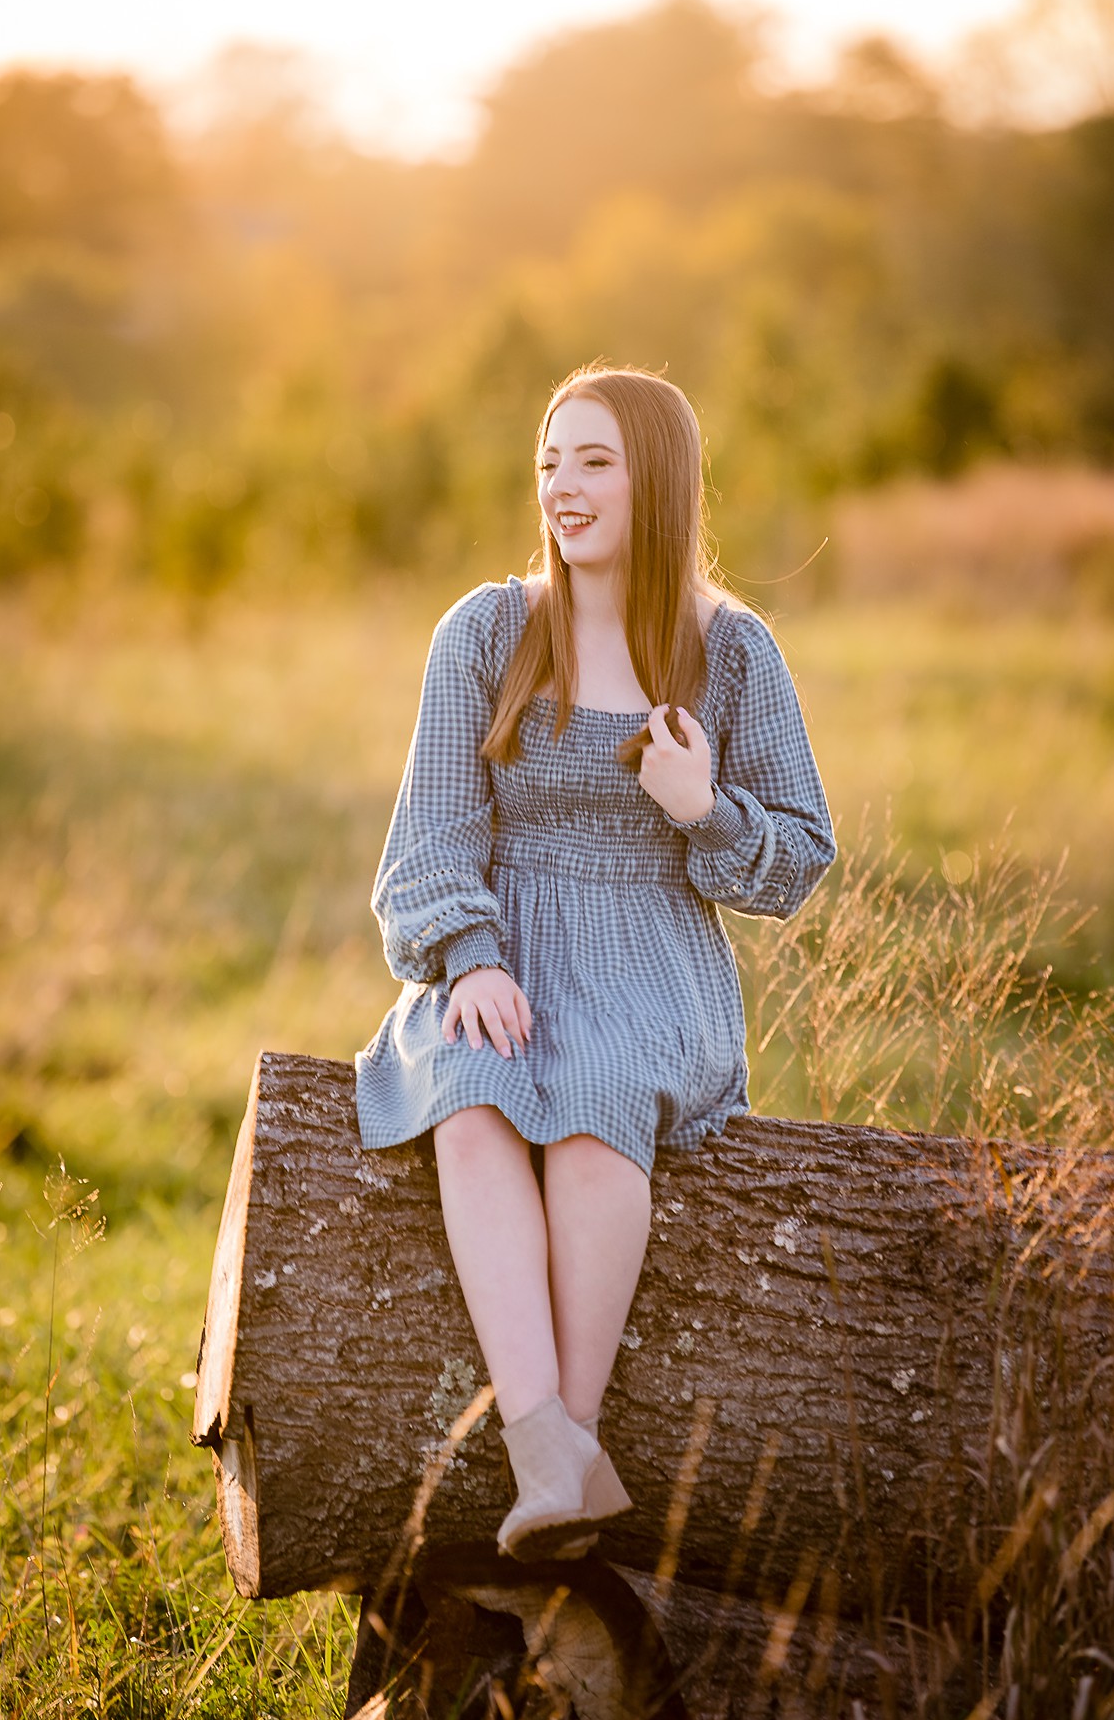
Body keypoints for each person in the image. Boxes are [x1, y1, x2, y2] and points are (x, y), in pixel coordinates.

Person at [355, 364, 835, 1562]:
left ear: (656, 479)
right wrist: (466, 958)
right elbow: (432, 832)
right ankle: (548, 1449)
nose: (562, 488)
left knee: (594, 1100)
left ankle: (579, 1425)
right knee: (468, 1099)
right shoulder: (488, 629)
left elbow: (800, 857)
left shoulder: (732, 652)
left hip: (649, 956)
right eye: (549, 461)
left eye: (594, 461)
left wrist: (703, 808)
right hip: (504, 945)